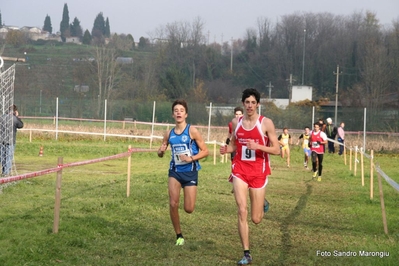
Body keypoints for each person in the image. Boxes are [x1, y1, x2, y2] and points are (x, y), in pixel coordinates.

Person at [220, 88, 280, 265]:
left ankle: (263, 203)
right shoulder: (236, 122)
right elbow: (234, 146)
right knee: (241, 210)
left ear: (258, 105)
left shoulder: (266, 123)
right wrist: (227, 150)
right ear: (243, 104)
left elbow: (276, 150)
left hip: (259, 171)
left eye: (253, 103)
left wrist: (259, 147)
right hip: (240, 169)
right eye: (247, 102)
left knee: (256, 219)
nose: (250, 106)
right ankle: (246, 253)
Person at [157, 99, 209, 246]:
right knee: (173, 203)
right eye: (176, 110)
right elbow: (161, 151)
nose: (178, 113)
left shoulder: (192, 131)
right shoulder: (168, 133)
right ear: (173, 115)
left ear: (186, 114)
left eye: (181, 110)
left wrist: (190, 158)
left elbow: (205, 151)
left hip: (190, 172)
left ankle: (181, 229)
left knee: (189, 208)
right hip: (175, 172)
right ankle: (179, 235)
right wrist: (160, 151)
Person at [1, 105, 24, 176]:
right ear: (15, 111)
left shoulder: (1, 117)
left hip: (1, 140)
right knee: (9, 156)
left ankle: (4, 171)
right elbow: (21, 125)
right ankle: (6, 173)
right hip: (10, 140)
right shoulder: (14, 119)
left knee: (3, 156)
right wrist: (17, 116)